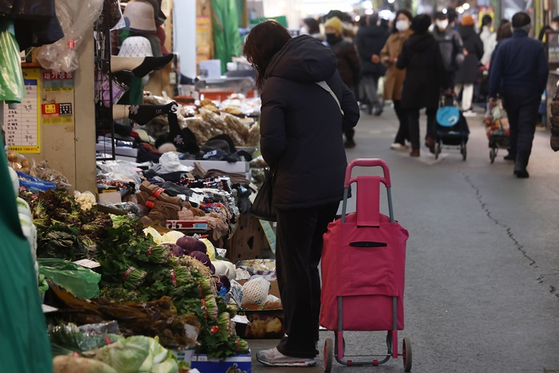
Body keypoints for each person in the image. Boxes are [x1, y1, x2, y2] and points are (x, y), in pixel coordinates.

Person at [243, 20, 359, 366]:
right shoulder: (324, 69)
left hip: (297, 186)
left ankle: (298, 348)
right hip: (331, 183)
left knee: (294, 267)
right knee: (308, 264)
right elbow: (350, 114)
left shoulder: (276, 83)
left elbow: (272, 146)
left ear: (262, 54)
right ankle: (305, 340)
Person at [488, 12, 548, 178]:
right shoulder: (537, 46)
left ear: (513, 27)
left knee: (514, 125)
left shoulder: (503, 46)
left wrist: (492, 94)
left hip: (509, 92)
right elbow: (543, 72)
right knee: (526, 128)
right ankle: (521, 162)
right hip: (530, 93)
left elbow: (496, 72)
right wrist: (538, 90)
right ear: (529, 27)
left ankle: (514, 153)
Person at [397, 14, 449, 157]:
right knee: (431, 112)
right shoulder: (433, 42)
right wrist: (446, 85)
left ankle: (415, 148)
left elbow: (400, 65)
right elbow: (440, 65)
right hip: (431, 83)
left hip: (412, 82)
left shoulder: (408, 43)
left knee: (412, 115)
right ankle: (430, 136)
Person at [324, 16, 361, 148]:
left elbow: (355, 64)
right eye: (327, 28)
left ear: (338, 30)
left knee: (346, 108)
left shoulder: (346, 45)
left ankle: (350, 136)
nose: (328, 31)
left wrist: (356, 78)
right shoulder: (323, 45)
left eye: (331, 28)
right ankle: (336, 135)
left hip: (345, 81)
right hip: (328, 82)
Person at [380, 9, 413, 150]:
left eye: (404, 19)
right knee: (399, 108)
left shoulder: (412, 37)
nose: (401, 22)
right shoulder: (392, 37)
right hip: (393, 76)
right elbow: (383, 53)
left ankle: (400, 139)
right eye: (399, 19)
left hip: (407, 76)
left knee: (405, 109)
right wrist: (387, 59)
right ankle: (410, 136)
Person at [355, 14, 390, 115]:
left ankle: (375, 104)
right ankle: (371, 105)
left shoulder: (361, 32)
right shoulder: (383, 32)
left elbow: (359, 48)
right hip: (379, 61)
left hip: (366, 61)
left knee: (369, 84)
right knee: (373, 83)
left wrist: (370, 56)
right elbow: (386, 46)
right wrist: (378, 56)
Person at [455, 15, 484, 116]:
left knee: (457, 85)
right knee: (468, 86)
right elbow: (480, 49)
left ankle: (452, 105)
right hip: (471, 62)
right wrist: (476, 58)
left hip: (458, 62)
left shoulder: (457, 34)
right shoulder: (474, 35)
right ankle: (466, 107)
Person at [432, 11, 465, 88]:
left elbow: (460, 49)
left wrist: (458, 60)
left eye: (444, 19)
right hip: (435, 70)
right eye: (440, 19)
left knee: (449, 92)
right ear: (436, 20)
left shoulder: (453, 34)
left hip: (450, 69)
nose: (443, 21)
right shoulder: (432, 35)